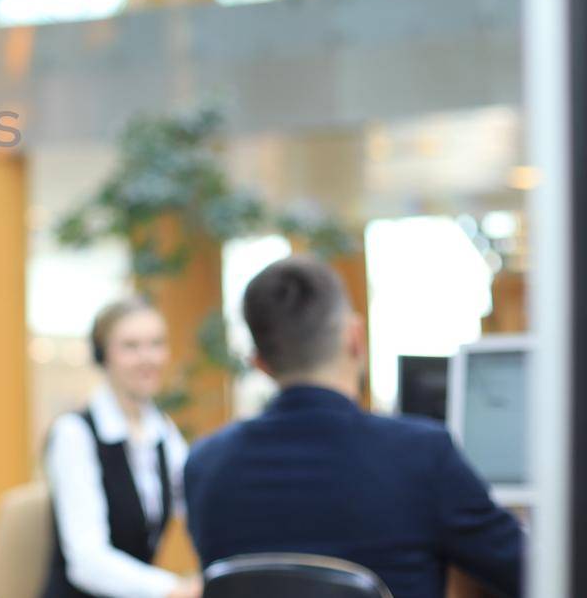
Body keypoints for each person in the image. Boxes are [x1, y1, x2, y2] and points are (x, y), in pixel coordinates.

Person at [185, 256, 525, 598]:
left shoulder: (205, 465)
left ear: (259, 363)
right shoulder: (422, 455)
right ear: (355, 338)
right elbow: (536, 575)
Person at [43, 297, 199, 598]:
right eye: (131, 346)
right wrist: (173, 588)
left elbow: (198, 502)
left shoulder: (163, 432)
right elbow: (87, 561)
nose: (148, 358)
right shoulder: (75, 434)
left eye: (156, 344)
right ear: (103, 356)